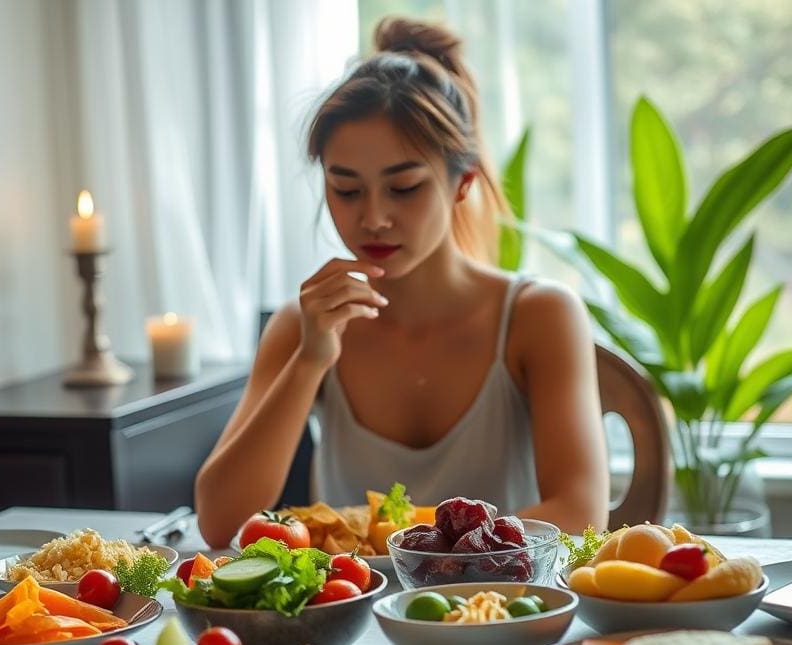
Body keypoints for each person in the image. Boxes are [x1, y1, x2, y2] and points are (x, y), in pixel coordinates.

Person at [195, 17, 608, 547]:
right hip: (347, 623)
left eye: (404, 188)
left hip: (496, 616)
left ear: (463, 182)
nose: (373, 219)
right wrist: (311, 360)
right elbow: (220, 521)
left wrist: (423, 556)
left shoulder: (539, 314)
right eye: (346, 190)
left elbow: (579, 508)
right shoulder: (304, 324)